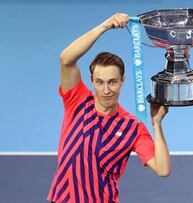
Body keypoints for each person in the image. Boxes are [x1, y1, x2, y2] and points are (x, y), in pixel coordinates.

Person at [47, 13, 171, 203]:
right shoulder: (77, 101)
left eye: (112, 82)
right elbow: (66, 59)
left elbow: (162, 169)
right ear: (92, 82)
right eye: (100, 82)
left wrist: (156, 124)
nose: (106, 90)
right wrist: (104, 26)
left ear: (122, 81)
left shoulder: (133, 127)